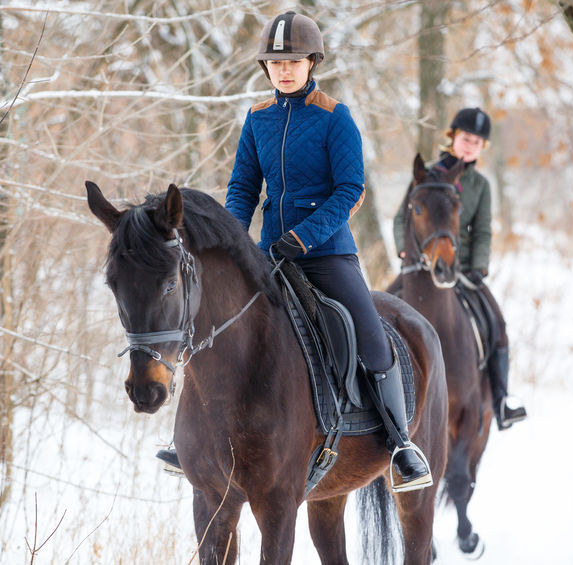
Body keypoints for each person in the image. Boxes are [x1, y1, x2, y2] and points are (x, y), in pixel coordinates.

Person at [157, 11, 432, 491]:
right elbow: (243, 187)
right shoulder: (258, 119)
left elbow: (350, 189)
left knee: (368, 333)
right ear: (267, 68)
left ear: (312, 63)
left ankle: (399, 443)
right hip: (267, 253)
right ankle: (194, 441)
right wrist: (231, 240)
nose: (284, 70)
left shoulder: (334, 116)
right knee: (214, 324)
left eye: (294, 61)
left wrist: (304, 236)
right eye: (275, 62)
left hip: (327, 254)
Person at [392, 107, 527, 430]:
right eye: (466, 139)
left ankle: (500, 399)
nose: (470, 147)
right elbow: (402, 219)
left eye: (477, 143)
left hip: (462, 270)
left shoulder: (480, 186)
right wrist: (404, 249)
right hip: (421, 266)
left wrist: (478, 267)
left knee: (497, 322)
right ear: (452, 137)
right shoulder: (425, 173)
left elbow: (481, 231)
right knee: (379, 308)